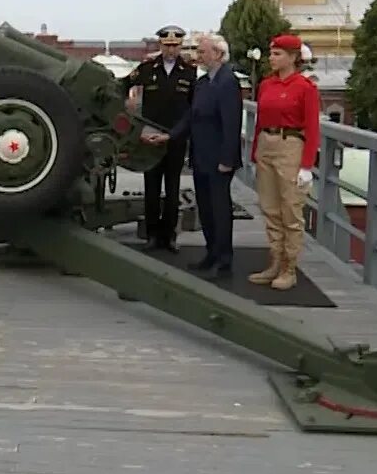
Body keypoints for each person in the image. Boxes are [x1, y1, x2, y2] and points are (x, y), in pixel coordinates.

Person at [145, 34, 243, 274]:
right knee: (206, 209)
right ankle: (211, 253)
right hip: (200, 157)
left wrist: (227, 160)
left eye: (202, 52)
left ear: (218, 54)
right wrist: (170, 135)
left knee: (220, 210)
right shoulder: (203, 83)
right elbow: (190, 116)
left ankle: (224, 259)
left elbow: (232, 124)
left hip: (219, 159)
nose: (197, 56)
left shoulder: (227, 82)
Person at [249, 33, 321, 290]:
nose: (272, 58)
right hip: (267, 145)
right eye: (271, 53)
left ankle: (290, 268)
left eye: (277, 54)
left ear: (293, 58)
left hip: (290, 145)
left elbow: (312, 128)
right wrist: (255, 152)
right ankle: (275, 262)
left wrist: (306, 166)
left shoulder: (305, 87)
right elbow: (259, 121)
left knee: (290, 210)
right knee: (269, 208)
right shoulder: (266, 85)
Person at [120, 25, 198, 250]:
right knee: (151, 188)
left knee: (172, 189)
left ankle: (170, 235)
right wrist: (130, 112)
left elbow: (193, 109)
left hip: (174, 138)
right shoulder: (146, 69)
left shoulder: (189, 72)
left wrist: (178, 134)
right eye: (167, 45)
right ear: (160, 45)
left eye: (175, 45)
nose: (171, 50)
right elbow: (122, 86)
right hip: (150, 138)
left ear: (181, 45)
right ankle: (153, 234)